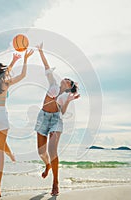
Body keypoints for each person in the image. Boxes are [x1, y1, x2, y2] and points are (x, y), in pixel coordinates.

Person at [0, 49, 34, 198]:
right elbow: (23, 75)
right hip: (0, 115)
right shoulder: (6, 83)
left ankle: (10, 153)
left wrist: (13, 61)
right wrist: (24, 59)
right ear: (1, 73)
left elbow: (3, 73)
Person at [34, 42, 80, 196]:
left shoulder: (66, 95)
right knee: (41, 152)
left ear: (69, 86)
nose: (65, 79)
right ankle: (47, 165)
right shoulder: (53, 84)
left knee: (52, 150)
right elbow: (47, 68)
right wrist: (41, 51)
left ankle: (55, 182)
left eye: (68, 80)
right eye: (66, 78)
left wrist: (68, 101)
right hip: (43, 117)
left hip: (55, 120)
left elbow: (62, 111)